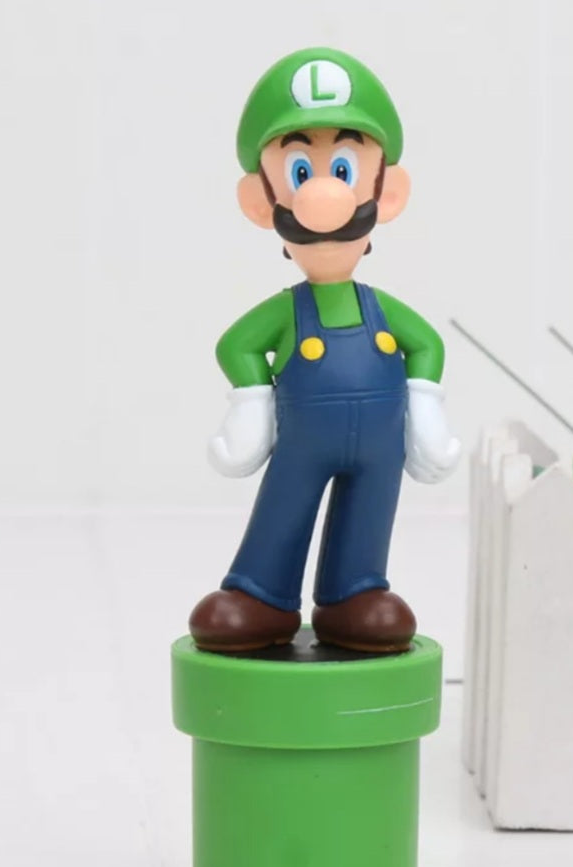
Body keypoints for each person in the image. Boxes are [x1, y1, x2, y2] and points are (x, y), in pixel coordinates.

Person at [189, 47, 459, 653]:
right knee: (285, 505)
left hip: (381, 448)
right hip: (301, 445)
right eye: (299, 173)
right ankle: (262, 592)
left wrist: (425, 404)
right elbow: (236, 344)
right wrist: (253, 401)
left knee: (371, 511)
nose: (324, 198)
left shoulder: (382, 309)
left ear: (388, 193)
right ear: (261, 202)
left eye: (343, 169)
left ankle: (354, 592)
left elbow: (428, 344)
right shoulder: (288, 311)